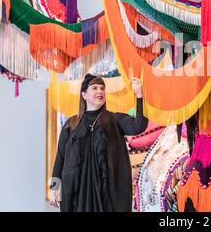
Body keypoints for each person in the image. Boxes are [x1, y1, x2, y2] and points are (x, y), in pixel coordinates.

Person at [49, 74, 148, 212]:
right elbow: (60, 158)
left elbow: (139, 126)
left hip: (107, 195)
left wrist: (139, 96)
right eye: (94, 88)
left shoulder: (114, 120)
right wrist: (53, 188)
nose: (99, 91)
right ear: (84, 94)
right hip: (76, 195)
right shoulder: (71, 125)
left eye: (102, 88)